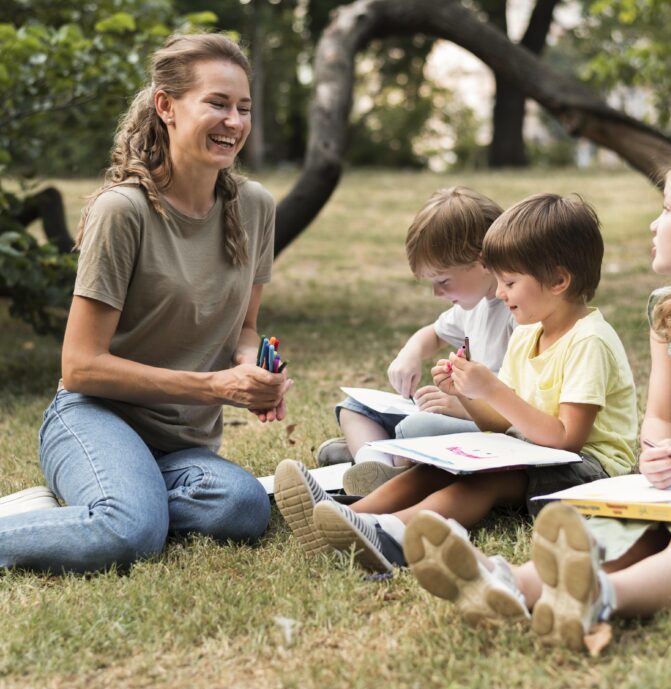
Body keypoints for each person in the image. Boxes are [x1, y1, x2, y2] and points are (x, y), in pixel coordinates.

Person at [0, 33, 291, 573]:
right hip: (94, 418)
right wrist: (211, 386)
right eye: (218, 103)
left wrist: (253, 373)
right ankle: (118, 506)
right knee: (129, 535)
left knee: (244, 507)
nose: (234, 122)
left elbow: (247, 329)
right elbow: (81, 367)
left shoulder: (254, 207)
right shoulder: (124, 211)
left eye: (243, 108)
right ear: (166, 107)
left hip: (183, 447)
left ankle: (119, 498)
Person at [404, 149, 671, 651]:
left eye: (669, 209)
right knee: (629, 529)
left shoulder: (589, 335)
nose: (654, 223)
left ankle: (600, 596)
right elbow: (662, 417)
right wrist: (659, 447)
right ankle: (511, 584)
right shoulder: (668, 312)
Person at [276, 193, 637, 572]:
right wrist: (468, 395)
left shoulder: (588, 340)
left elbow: (567, 440)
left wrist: (493, 390)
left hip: (589, 474)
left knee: (481, 483)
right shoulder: (529, 335)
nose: (499, 294)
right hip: (535, 456)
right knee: (436, 469)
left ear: (559, 280)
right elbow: (500, 425)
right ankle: (339, 517)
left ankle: (390, 535)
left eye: (510, 282)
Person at [318, 186, 515, 497]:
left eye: (443, 281)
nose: (437, 294)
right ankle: (373, 466)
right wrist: (410, 354)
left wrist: (463, 408)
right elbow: (433, 334)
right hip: (459, 416)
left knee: (415, 428)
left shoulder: (519, 311)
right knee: (354, 407)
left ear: (482, 262)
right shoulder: (473, 304)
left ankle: (382, 462)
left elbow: (523, 402)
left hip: (493, 425)